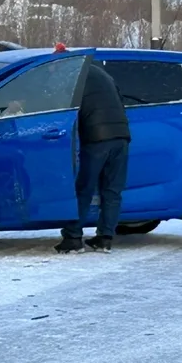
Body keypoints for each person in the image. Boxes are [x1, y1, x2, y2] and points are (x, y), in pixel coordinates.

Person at [57, 58, 131, 253]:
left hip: (97, 138)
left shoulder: (74, 78)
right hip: (122, 137)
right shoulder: (104, 75)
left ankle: (73, 237)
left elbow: (67, 109)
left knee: (84, 188)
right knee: (112, 190)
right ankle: (105, 238)